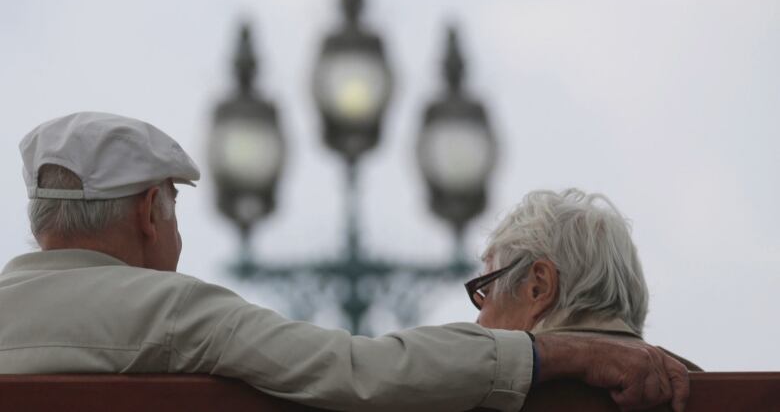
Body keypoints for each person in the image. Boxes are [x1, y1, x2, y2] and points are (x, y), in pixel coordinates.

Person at [0, 112, 689, 412]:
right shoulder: (175, 313)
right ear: (152, 210)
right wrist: (563, 355)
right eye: (174, 209)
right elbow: (359, 373)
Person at [468, 188, 701, 371]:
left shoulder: (492, 394)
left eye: (486, 292)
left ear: (539, 286)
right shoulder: (702, 389)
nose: (478, 322)